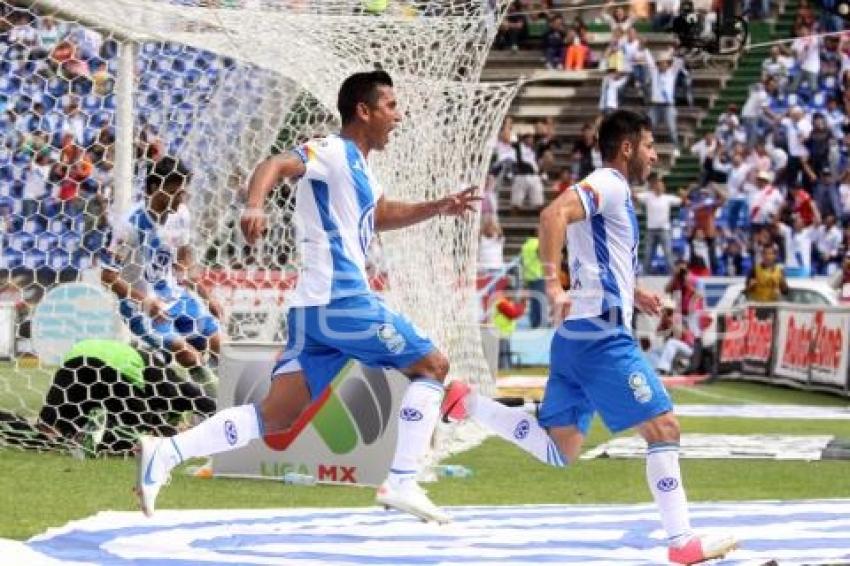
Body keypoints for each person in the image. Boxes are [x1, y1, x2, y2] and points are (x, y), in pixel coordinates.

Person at [134, 71, 479, 524]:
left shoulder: (359, 168)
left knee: (278, 416)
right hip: (341, 301)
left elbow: (380, 214)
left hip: (311, 311)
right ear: (364, 110)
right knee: (433, 366)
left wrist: (437, 206)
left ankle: (166, 453)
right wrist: (255, 205)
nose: (399, 116)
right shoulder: (333, 151)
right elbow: (274, 165)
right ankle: (402, 481)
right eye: (391, 106)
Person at [441, 110, 737, 565]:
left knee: (560, 450)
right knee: (664, 428)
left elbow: (592, 254)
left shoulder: (610, 194)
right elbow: (551, 214)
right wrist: (551, 285)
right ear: (626, 148)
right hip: (601, 335)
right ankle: (682, 543)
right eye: (650, 145)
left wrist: (635, 293)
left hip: (579, 334)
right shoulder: (611, 184)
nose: (656, 155)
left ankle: (469, 403)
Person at [100, 156, 224, 382]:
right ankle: (206, 406)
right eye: (176, 192)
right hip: (141, 306)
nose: (181, 198)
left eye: (183, 192)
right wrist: (145, 301)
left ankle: (216, 401)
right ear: (154, 188)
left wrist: (207, 296)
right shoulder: (129, 225)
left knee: (221, 345)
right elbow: (108, 277)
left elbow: (184, 261)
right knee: (188, 355)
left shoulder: (181, 215)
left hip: (175, 296)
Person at [634, 172, 680, 274]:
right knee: (648, 253)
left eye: (661, 185)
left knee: (668, 253)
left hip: (664, 229)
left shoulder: (668, 198)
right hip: (651, 229)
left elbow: (682, 201)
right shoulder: (648, 196)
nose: (660, 187)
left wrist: (686, 194)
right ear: (654, 186)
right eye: (658, 185)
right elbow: (635, 197)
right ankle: (644, 274)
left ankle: (673, 274)